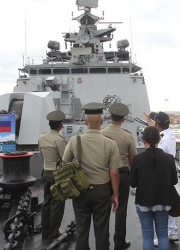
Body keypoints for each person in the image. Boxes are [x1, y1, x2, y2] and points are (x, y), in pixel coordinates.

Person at [62, 102, 123, 250]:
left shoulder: (74, 141)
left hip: (80, 190)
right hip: (101, 191)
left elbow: (64, 165)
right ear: (102, 122)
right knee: (102, 230)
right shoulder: (110, 144)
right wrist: (115, 195)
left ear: (85, 122)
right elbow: (114, 172)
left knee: (81, 229)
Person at [130, 126, 178, 250]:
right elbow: (174, 181)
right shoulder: (169, 158)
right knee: (162, 235)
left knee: (147, 236)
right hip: (163, 201)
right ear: (159, 140)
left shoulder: (137, 159)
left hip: (144, 202)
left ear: (143, 139)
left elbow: (133, 183)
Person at [101, 103, 136, 250]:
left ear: (110, 116)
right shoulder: (127, 136)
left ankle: (103, 242)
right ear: (123, 119)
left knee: (103, 209)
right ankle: (119, 241)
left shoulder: (101, 134)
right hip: (121, 175)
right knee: (120, 208)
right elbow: (133, 159)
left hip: (103, 175)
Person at [145, 111, 179, 243]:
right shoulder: (169, 134)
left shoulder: (163, 140)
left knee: (161, 206)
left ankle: (162, 235)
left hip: (160, 173)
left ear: (157, 123)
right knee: (168, 202)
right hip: (168, 172)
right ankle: (173, 231)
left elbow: (156, 153)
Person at [38, 110, 67, 242]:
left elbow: (41, 154)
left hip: (46, 172)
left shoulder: (42, 137)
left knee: (47, 201)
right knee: (58, 203)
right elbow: (65, 159)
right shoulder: (59, 140)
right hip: (57, 174)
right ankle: (54, 232)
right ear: (60, 125)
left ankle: (45, 231)